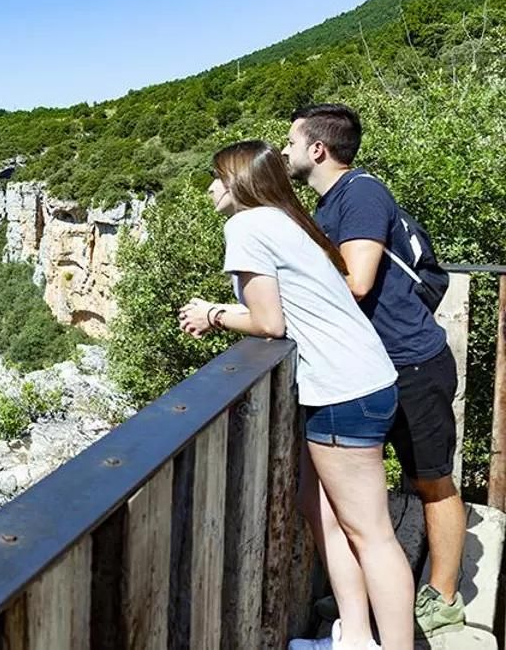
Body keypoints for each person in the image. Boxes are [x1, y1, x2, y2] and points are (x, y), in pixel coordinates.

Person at [178, 140, 414, 650]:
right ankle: (354, 636)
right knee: (318, 506)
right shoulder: (282, 219)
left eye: (217, 176)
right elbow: (291, 306)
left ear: (238, 180)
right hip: (359, 380)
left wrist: (214, 315)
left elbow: (269, 321)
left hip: (342, 390)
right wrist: (227, 307)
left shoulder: (244, 226)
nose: (211, 187)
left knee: (372, 534)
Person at [283, 104, 465, 638]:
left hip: (411, 364)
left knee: (431, 481)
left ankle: (443, 597)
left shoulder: (361, 193)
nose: (287, 150)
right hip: (369, 372)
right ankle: (359, 606)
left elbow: (358, 280)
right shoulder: (331, 205)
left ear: (318, 149)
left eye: (292, 141)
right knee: (342, 498)